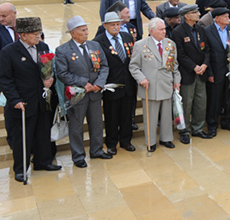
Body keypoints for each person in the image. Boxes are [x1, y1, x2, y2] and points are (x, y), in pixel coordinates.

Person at [0, 17, 61, 182]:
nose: (38, 36)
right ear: (23, 35)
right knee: (22, 138)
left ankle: (43, 161)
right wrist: (14, 99)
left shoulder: (43, 47)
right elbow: (5, 79)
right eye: (35, 33)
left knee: (43, 133)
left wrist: (50, 79)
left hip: (42, 100)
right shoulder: (8, 52)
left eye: (39, 33)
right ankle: (21, 169)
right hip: (22, 102)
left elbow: (48, 69)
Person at [55, 16, 111, 167]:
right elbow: (62, 73)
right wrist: (83, 83)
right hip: (77, 95)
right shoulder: (63, 50)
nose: (87, 32)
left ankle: (97, 150)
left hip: (95, 93)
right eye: (83, 30)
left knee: (97, 123)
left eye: (86, 29)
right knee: (76, 126)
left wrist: (99, 83)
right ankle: (78, 156)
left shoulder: (95, 45)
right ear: (73, 33)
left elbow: (104, 66)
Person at [129, 18, 181, 152]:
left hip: (166, 84)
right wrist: (141, 79)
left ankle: (166, 138)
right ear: (151, 31)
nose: (164, 31)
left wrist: (177, 80)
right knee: (150, 117)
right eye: (161, 29)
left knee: (166, 115)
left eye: (164, 29)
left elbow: (174, 65)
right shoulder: (140, 45)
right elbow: (134, 66)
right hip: (150, 86)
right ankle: (150, 142)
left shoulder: (170, 44)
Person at [94, 12, 137, 154]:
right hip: (111, 85)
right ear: (105, 25)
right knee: (111, 116)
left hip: (128, 83)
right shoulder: (98, 41)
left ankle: (126, 141)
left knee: (127, 115)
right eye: (112, 24)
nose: (116, 27)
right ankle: (111, 143)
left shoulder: (127, 37)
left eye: (118, 24)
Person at [172, 4, 212, 144]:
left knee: (201, 102)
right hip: (187, 73)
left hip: (201, 72)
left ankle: (198, 128)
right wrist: (194, 67)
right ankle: (184, 131)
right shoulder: (178, 32)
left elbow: (207, 50)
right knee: (186, 104)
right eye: (195, 12)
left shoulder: (200, 29)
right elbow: (180, 54)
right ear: (187, 16)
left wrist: (205, 65)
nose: (199, 14)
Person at [204, 7, 230, 135]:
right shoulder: (207, 31)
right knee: (214, 99)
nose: (228, 18)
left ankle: (227, 121)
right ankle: (212, 124)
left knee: (229, 97)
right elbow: (206, 53)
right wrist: (209, 73)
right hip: (215, 70)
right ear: (217, 18)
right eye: (225, 16)